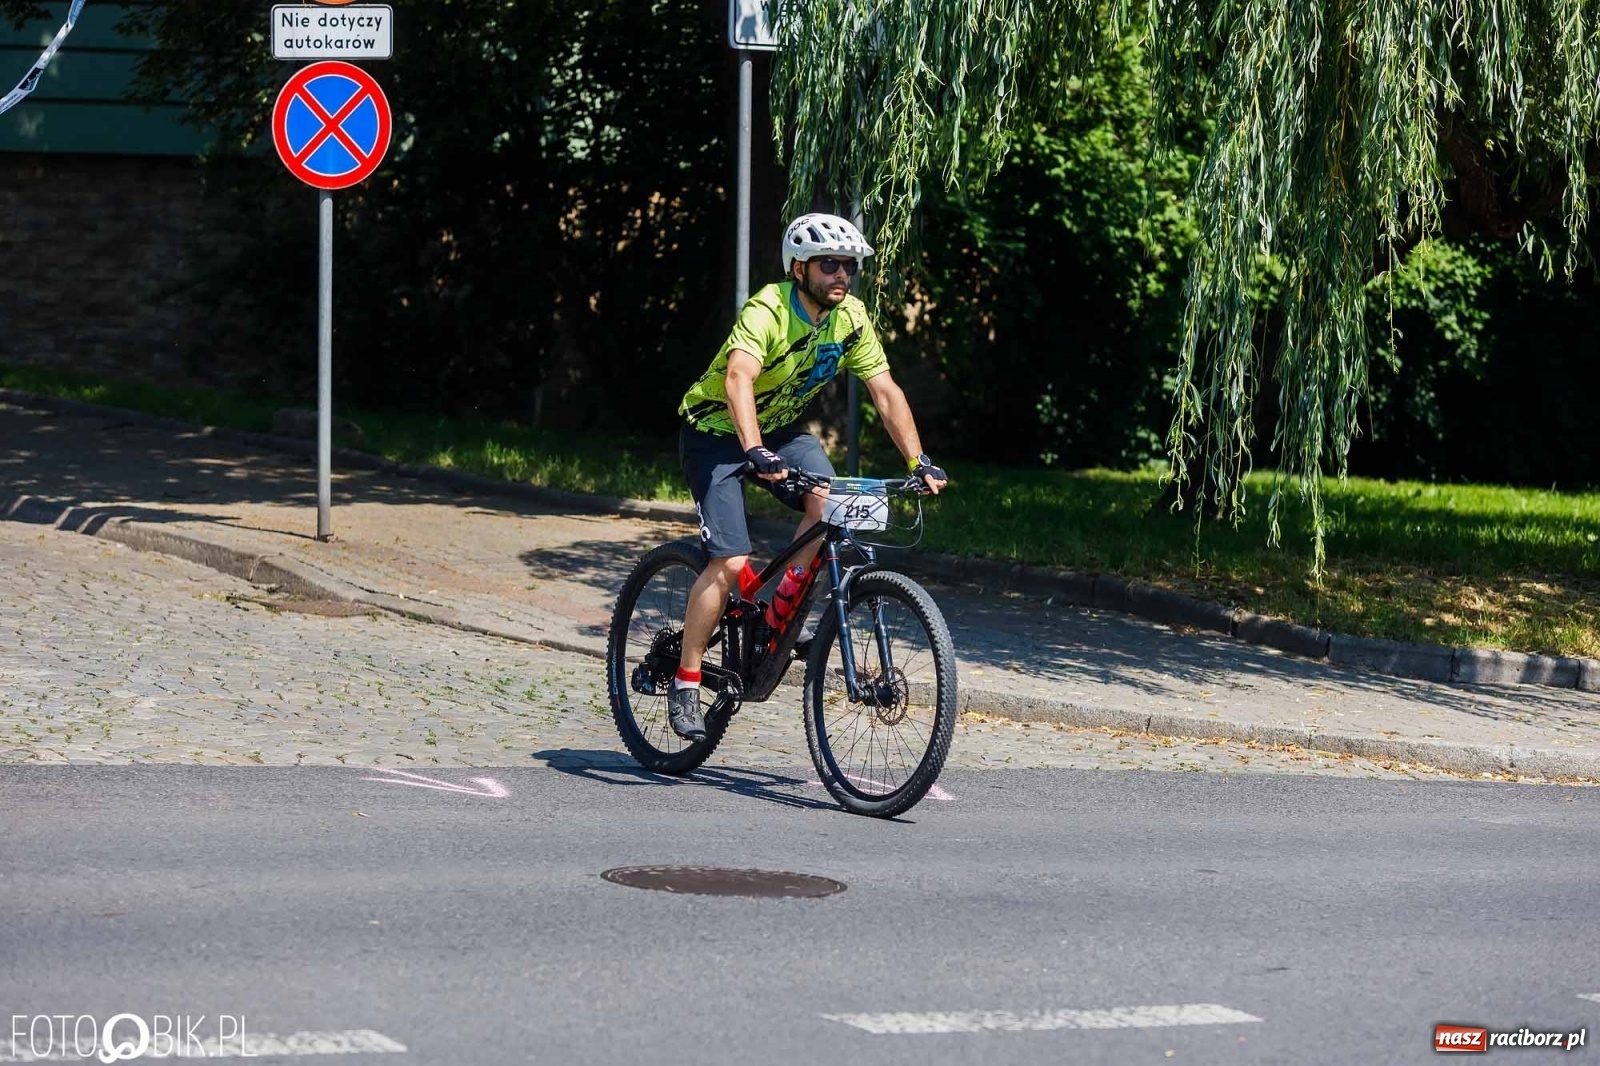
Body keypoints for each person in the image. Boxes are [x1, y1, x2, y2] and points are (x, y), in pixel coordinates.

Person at [668, 212, 949, 741]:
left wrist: (918, 460)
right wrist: (751, 448)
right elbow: (738, 379)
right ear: (799, 268)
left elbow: (885, 391)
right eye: (829, 265)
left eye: (849, 266)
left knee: (830, 502)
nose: (841, 274)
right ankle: (686, 681)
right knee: (729, 560)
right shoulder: (769, 308)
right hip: (715, 432)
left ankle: (777, 608)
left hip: (776, 431)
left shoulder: (852, 319)